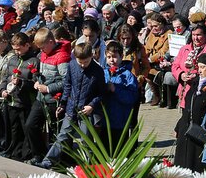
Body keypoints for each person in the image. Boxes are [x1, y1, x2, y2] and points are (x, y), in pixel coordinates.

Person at [41, 41, 106, 169]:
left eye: (85, 62)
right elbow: (67, 85)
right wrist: (63, 103)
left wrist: (92, 105)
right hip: (72, 108)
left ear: (91, 57)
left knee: (85, 140)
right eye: (79, 62)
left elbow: (102, 93)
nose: (82, 65)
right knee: (63, 136)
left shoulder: (97, 71)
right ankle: (48, 161)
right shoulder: (72, 65)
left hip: (86, 110)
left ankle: (86, 167)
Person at [24, 29, 72, 164]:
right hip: (41, 98)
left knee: (54, 132)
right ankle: (38, 154)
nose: (41, 51)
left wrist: (49, 88)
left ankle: (56, 161)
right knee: (30, 125)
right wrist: (37, 81)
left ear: (51, 42)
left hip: (54, 100)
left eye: (43, 47)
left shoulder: (62, 57)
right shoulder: (43, 53)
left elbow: (66, 80)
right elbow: (40, 72)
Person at [175, 52, 206, 171]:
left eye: (203, 67)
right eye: (198, 67)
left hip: (201, 130)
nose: (199, 70)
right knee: (182, 163)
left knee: (196, 163)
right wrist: (179, 125)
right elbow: (188, 104)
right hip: (187, 127)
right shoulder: (197, 81)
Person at [2, 33, 40, 161]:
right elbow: (5, 77)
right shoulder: (12, 59)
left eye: (19, 49)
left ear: (27, 45)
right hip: (11, 100)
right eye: (14, 49)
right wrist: (2, 90)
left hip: (25, 102)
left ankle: (25, 154)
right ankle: (12, 151)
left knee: (24, 129)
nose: (17, 52)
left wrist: (21, 83)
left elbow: (35, 83)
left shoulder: (34, 61)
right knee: (13, 128)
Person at [102, 42, 139, 150]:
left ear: (121, 57)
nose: (111, 60)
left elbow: (131, 97)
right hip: (105, 121)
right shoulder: (103, 73)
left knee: (120, 150)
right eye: (109, 57)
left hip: (121, 120)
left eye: (114, 57)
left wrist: (115, 90)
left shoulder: (128, 76)